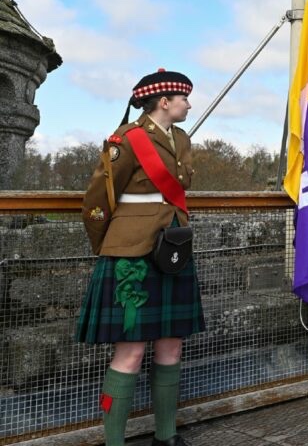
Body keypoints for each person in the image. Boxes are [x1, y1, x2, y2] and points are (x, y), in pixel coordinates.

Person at [76, 69, 205, 446]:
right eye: (184, 98)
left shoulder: (181, 138)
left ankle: (165, 436)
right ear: (164, 101)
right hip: (131, 251)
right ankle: (114, 442)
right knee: (130, 352)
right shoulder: (127, 139)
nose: (189, 104)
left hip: (173, 248)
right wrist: (108, 245)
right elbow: (98, 199)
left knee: (171, 343)